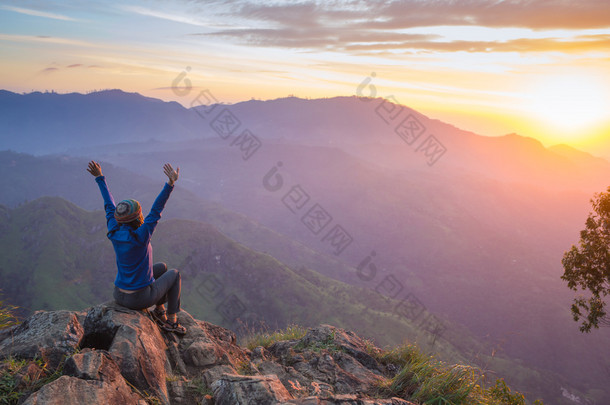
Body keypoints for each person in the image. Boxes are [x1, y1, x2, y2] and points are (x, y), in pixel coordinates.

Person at [87, 160, 186, 335]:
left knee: (162, 267)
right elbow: (156, 209)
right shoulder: (141, 235)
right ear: (138, 217)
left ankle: (159, 310)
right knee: (175, 274)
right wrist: (170, 183)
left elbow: (109, 206)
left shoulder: (114, 232)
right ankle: (172, 322)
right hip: (139, 298)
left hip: (119, 294)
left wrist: (100, 177)